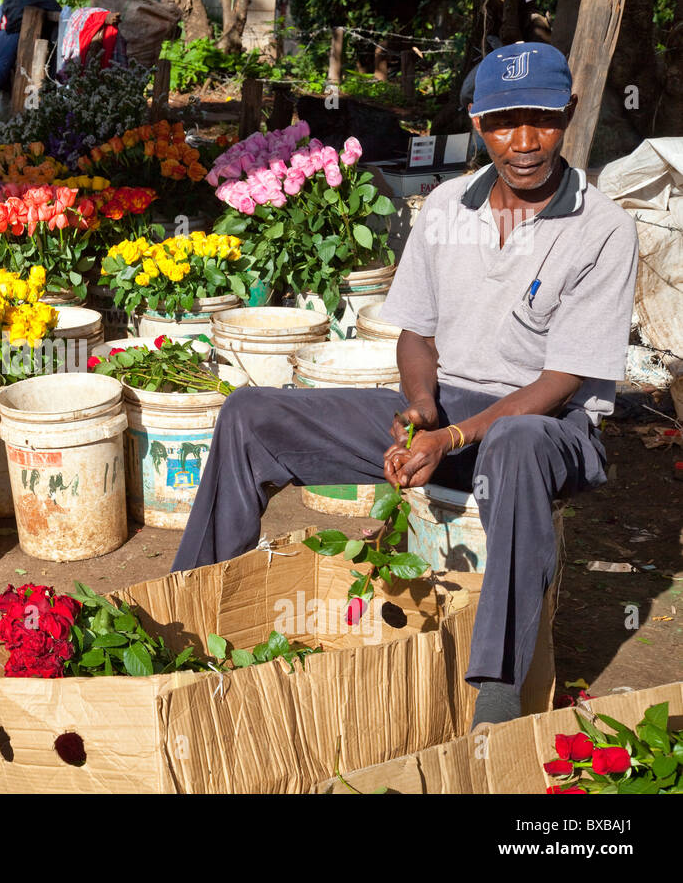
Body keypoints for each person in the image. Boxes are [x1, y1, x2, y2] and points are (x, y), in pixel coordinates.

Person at [170, 43, 639, 729]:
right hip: (446, 409)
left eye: (541, 119)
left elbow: (563, 378)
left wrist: (454, 433)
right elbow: (416, 333)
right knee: (249, 414)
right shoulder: (447, 205)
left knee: (511, 443)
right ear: (478, 123)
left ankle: (498, 698)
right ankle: (189, 614)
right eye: (505, 122)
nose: (525, 141)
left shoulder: (603, 228)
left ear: (568, 115)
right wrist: (422, 408)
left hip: (549, 428)